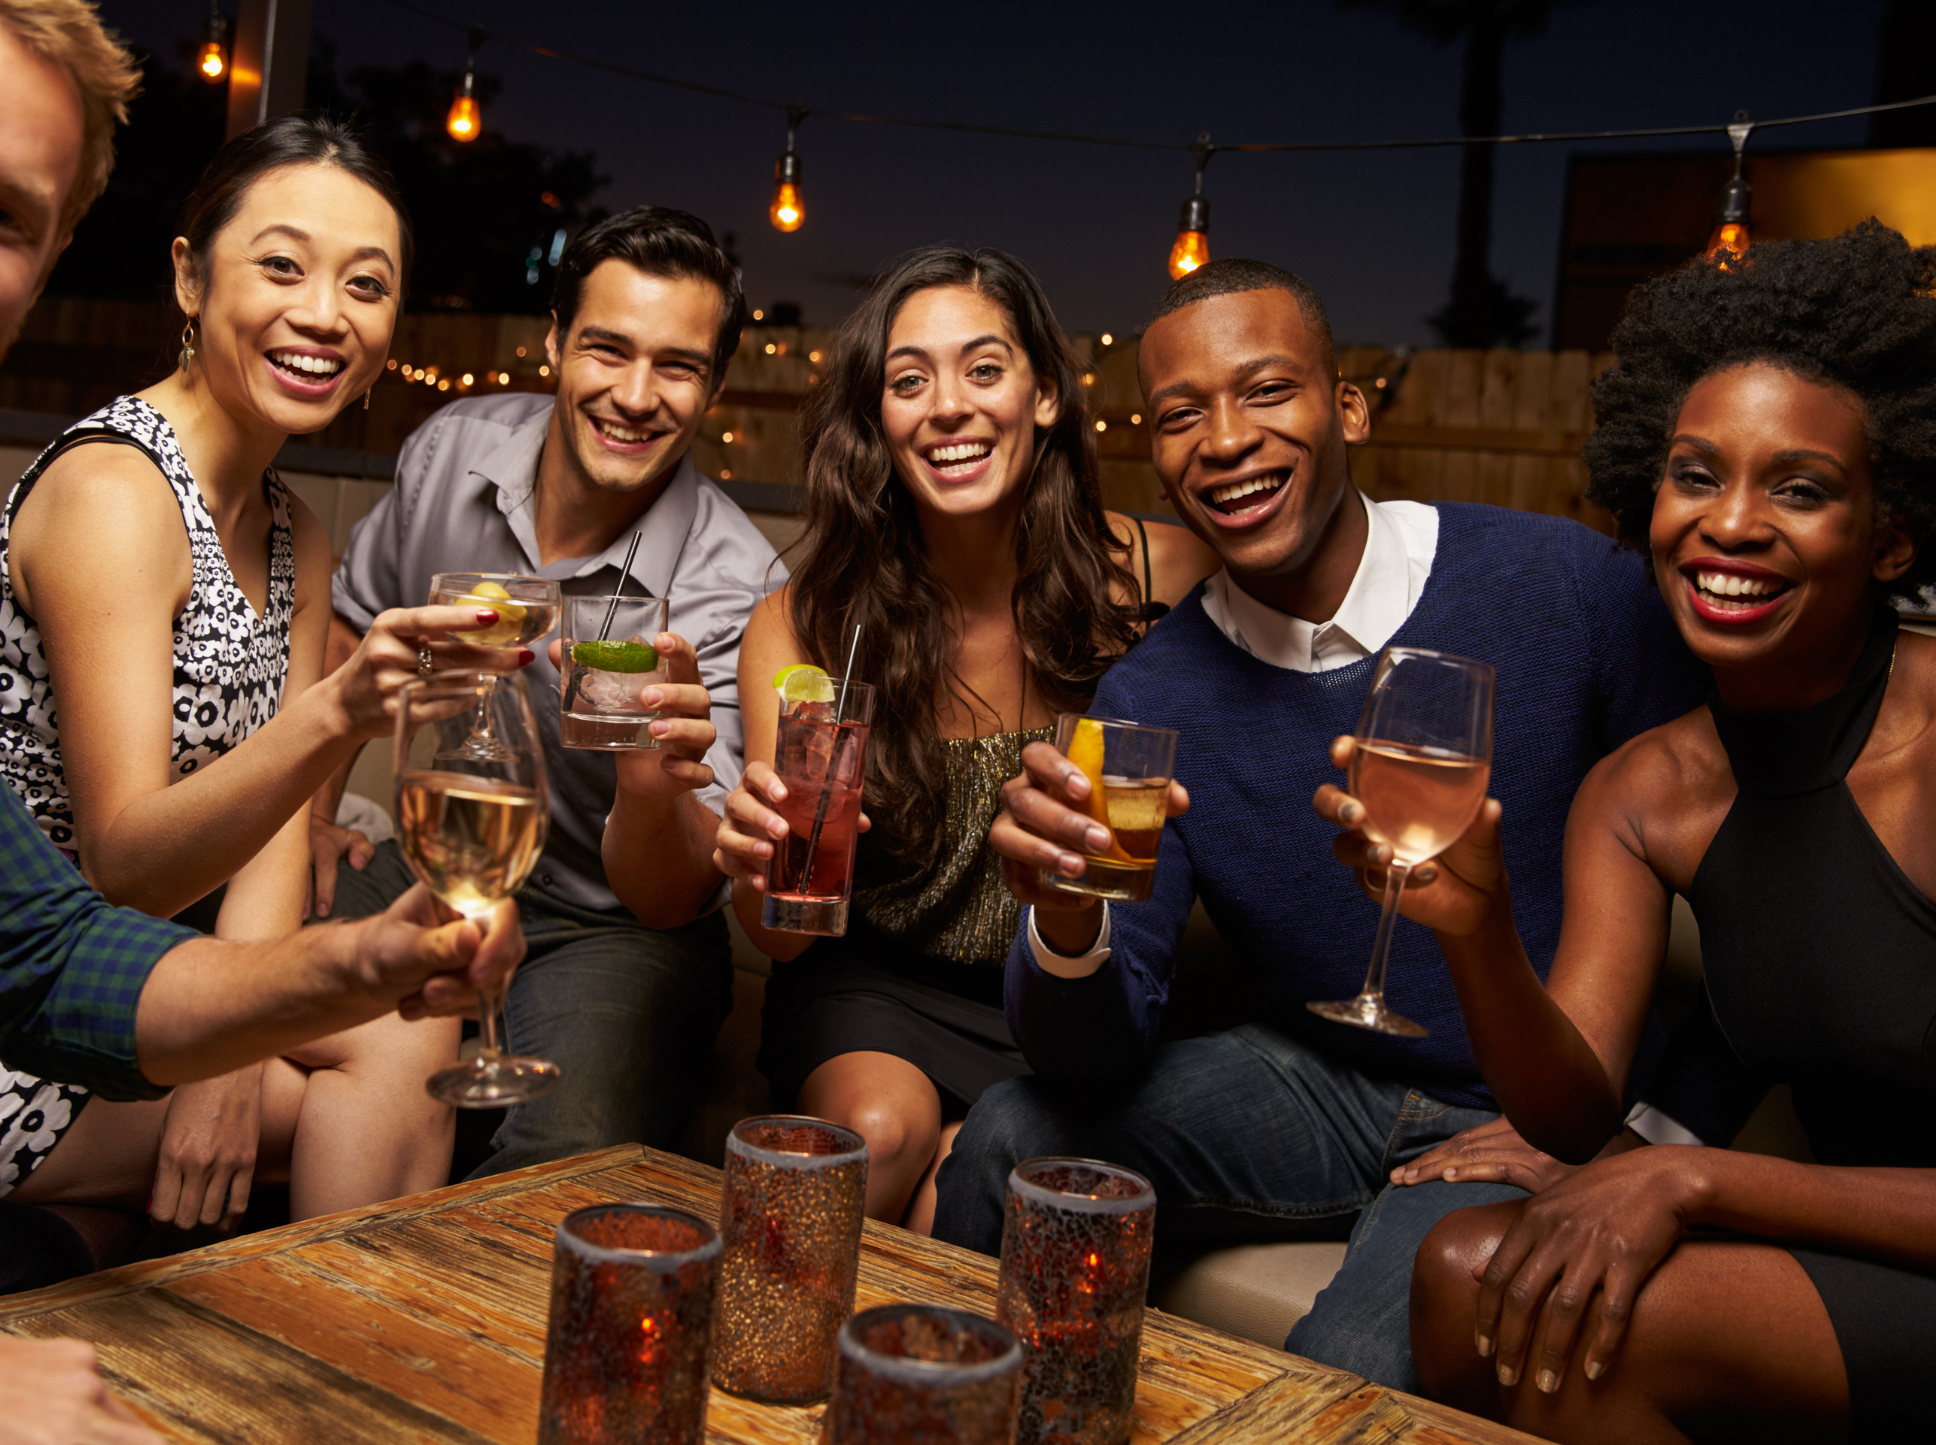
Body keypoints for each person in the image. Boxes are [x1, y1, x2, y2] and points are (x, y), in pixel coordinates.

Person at [0, 0, 517, 1440]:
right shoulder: (112, 486)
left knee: (366, 1055)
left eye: (6, 216)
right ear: (186, 276)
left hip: (21, 997)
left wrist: (342, 967)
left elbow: (41, 951)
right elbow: (113, 856)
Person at [932, 257, 1706, 1389]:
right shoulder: (1154, 692)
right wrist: (1061, 924)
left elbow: (1744, 875)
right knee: (1007, 1129)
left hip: (1518, 1102)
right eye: (1180, 414)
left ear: (1345, 407)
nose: (1223, 439)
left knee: (1347, 1358)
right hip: (1313, 1072)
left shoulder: (1569, 588)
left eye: (1264, 391)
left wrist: (1650, 1131)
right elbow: (1090, 1051)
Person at [1323, 222, 1936, 1442]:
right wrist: (1478, 929)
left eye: (1799, 488)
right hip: (1847, 1244)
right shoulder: (1645, 790)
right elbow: (1568, 1109)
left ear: (1892, 534)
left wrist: (1693, 1172)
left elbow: (1657, 1160)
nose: (1730, 523)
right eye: (1696, 474)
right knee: (1468, 1275)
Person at [711, 247, 1212, 1232]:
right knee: (873, 1131)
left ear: (1046, 396)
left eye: (983, 368)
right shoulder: (807, 623)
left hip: (1066, 996)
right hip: (873, 986)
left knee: (964, 1188)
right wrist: (753, 867)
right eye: (908, 380)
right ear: (878, 419)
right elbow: (782, 927)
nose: (947, 406)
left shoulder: (1162, 576)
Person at [322, 205, 777, 1176]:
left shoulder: (733, 577)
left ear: (715, 387)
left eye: (678, 366)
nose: (635, 394)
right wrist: (316, 820)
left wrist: (652, 780)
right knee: (228, 977)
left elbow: (668, 898)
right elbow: (349, 625)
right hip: (430, 859)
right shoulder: (451, 450)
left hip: (610, 924)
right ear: (556, 342)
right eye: (607, 349)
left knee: (562, 1156)